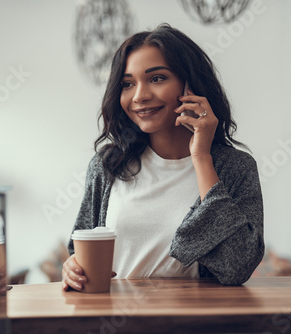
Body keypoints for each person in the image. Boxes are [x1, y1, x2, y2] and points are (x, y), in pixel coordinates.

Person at [62, 23, 264, 290]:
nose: (140, 96)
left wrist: (201, 156)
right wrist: (72, 266)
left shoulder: (236, 168)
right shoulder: (107, 166)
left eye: (157, 78)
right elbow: (80, 249)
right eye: (127, 83)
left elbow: (237, 266)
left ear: (191, 84)